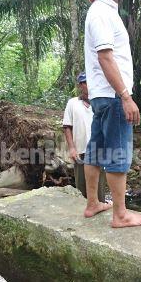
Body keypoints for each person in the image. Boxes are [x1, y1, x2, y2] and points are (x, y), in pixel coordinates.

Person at [82, 0, 141, 228]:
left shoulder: (104, 12)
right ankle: (120, 215)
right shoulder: (100, 13)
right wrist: (126, 96)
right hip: (112, 96)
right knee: (118, 153)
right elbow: (106, 58)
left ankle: (92, 203)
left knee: (95, 151)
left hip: (102, 96)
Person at [63, 71, 106, 203]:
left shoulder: (100, 103)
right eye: (85, 83)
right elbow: (67, 126)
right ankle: (84, 214)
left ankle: (99, 213)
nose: (89, 86)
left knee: (99, 189)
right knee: (81, 188)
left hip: (99, 151)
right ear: (80, 85)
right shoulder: (72, 103)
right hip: (80, 152)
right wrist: (71, 148)